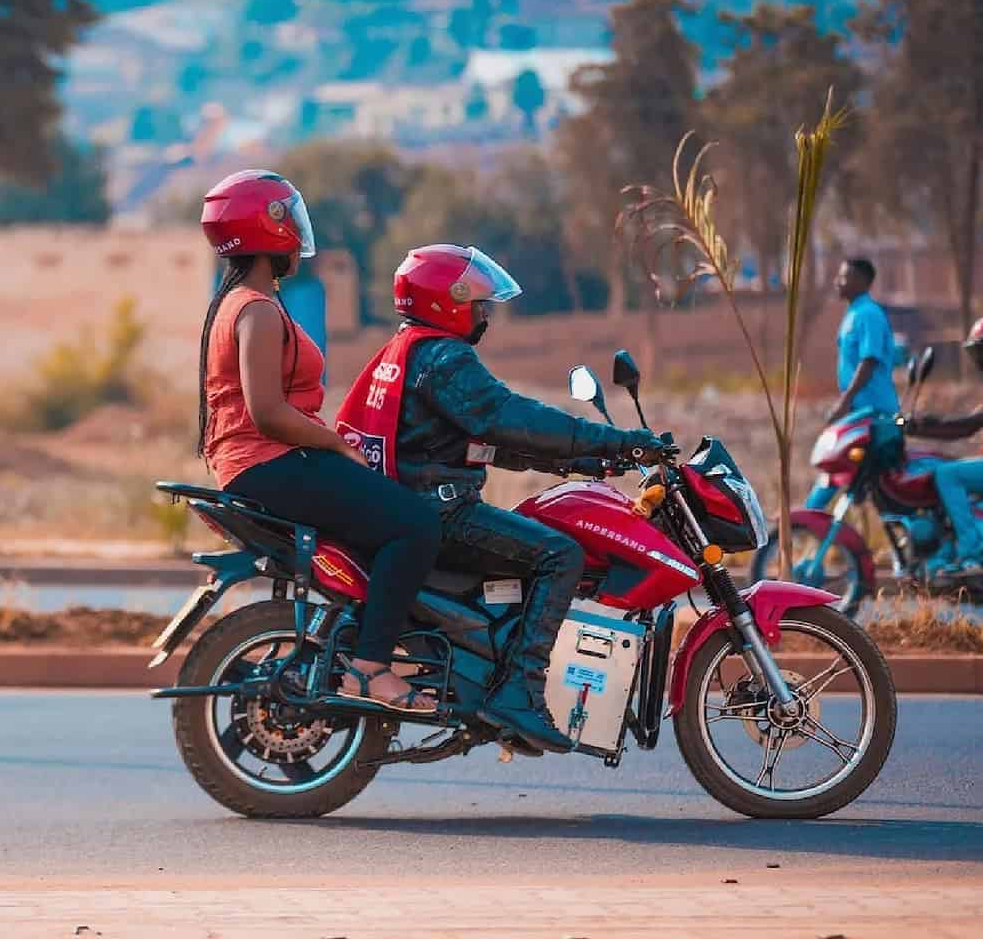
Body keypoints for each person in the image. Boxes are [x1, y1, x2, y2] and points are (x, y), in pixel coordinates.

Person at [335, 244, 669, 753]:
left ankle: (493, 668)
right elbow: (508, 417)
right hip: (441, 511)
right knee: (561, 554)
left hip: (411, 502)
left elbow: (477, 441)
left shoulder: (408, 349)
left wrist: (575, 462)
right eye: (479, 304)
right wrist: (618, 441)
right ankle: (519, 692)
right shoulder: (445, 357)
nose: (485, 314)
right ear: (448, 301)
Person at [199, 169, 441, 713]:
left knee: (385, 517)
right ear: (270, 230)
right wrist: (334, 445)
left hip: (258, 461)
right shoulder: (256, 311)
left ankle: (378, 640)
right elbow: (267, 412)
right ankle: (371, 666)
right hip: (267, 463)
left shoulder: (240, 303)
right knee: (417, 523)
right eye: (291, 218)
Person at [906, 313, 983, 579]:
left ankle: (972, 554)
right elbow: (967, 427)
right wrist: (924, 427)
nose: (977, 358)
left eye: (981, 351)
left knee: (947, 474)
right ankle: (946, 551)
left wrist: (945, 421)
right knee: (936, 467)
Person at [809, 257, 901, 508]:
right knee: (849, 473)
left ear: (861, 281)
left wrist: (845, 401)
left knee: (839, 465)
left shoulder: (868, 314)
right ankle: (809, 520)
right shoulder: (854, 313)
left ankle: (808, 517)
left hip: (874, 412)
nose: (837, 282)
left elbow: (869, 360)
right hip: (859, 409)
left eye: (844, 277)